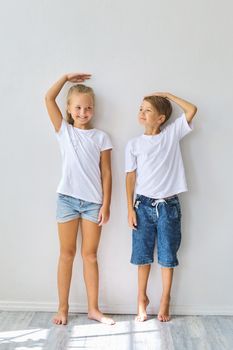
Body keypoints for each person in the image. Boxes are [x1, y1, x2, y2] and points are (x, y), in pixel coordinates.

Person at [45, 73, 115, 325]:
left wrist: (106, 204)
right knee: (66, 254)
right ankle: (62, 309)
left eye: (88, 108)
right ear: (69, 109)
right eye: (78, 107)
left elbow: (106, 173)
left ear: (93, 110)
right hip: (66, 200)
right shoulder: (64, 131)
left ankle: (94, 309)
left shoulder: (101, 137)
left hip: (93, 203)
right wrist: (65, 78)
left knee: (90, 256)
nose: (83, 112)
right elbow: (48, 97)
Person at [125, 92, 197, 322]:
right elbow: (129, 176)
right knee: (142, 256)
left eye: (147, 110)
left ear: (161, 118)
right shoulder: (134, 144)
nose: (142, 113)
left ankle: (165, 300)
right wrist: (129, 209)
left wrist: (167, 95)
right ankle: (141, 299)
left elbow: (192, 110)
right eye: (140, 108)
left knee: (167, 256)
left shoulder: (171, 135)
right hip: (142, 206)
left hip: (168, 207)